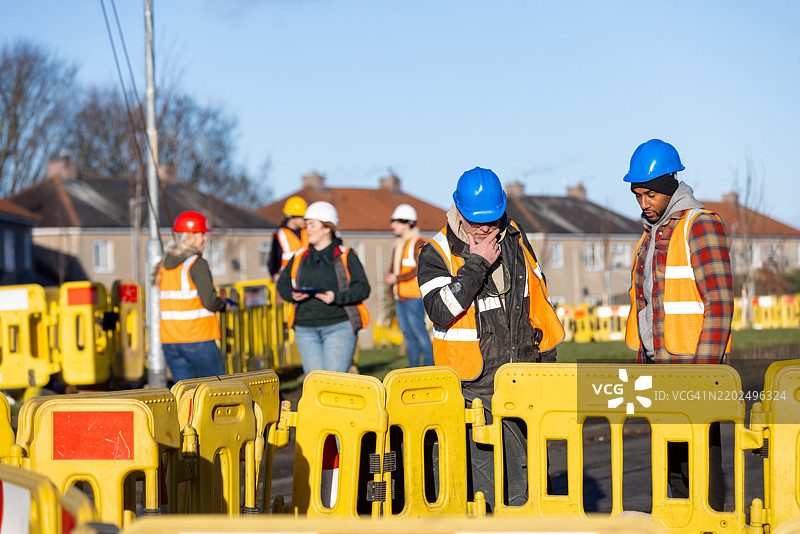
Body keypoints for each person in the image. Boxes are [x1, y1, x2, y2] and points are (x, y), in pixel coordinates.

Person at [417, 166, 564, 511]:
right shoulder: (436, 252)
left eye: (493, 219)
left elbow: (536, 299)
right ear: (460, 213)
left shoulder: (513, 237)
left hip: (525, 378)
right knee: (490, 488)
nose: (486, 228)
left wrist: (546, 363)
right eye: (477, 221)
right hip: (475, 389)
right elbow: (440, 309)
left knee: (532, 480)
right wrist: (477, 264)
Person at [623, 138, 733, 511]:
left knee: (701, 462)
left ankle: (708, 524)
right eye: (638, 196)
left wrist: (704, 374)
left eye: (650, 194)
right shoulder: (650, 236)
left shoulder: (698, 227)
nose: (643, 203)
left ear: (670, 186)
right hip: (660, 370)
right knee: (672, 464)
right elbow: (648, 307)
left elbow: (719, 302)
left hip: (694, 368)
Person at [277, 201, 370, 375]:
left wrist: (336, 297)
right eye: (306, 225)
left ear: (327, 227)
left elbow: (363, 288)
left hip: (339, 327)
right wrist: (292, 295)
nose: (307, 229)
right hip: (305, 329)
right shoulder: (299, 256)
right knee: (316, 387)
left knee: (334, 383)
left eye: (312, 225)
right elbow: (282, 284)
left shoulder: (346, 255)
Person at [154, 211, 230, 382]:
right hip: (198, 338)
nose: (205, 238)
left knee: (185, 396)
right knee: (216, 391)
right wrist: (224, 305)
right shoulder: (196, 264)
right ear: (190, 236)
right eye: (201, 234)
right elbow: (210, 301)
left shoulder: (164, 266)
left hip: (171, 342)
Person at [384, 203, 434, 367]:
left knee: (419, 332)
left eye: (396, 221)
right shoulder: (399, 243)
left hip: (414, 296)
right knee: (408, 334)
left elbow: (420, 268)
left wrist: (397, 278)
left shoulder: (418, 242)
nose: (393, 225)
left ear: (408, 223)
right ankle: (414, 367)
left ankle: (429, 365)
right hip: (401, 296)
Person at [268, 196, 308, 283]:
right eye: (302, 217)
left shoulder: (308, 231)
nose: (305, 220)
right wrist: (275, 274)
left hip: (307, 279)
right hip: (288, 281)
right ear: (292, 217)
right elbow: (273, 259)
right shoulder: (279, 235)